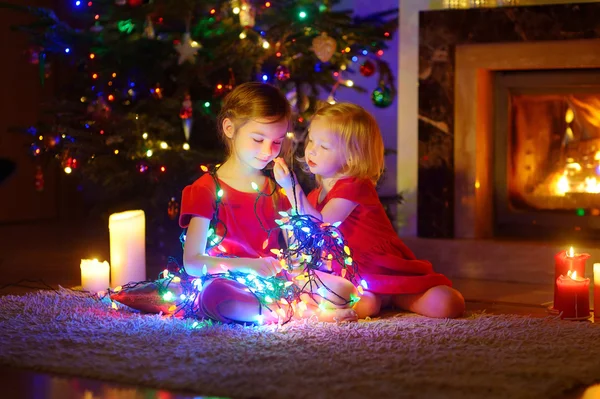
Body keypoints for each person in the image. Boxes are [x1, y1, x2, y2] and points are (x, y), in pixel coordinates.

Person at [178, 83, 358, 324]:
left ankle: (277, 310)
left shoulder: (275, 189)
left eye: (277, 141)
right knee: (214, 296)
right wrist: (249, 266)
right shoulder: (206, 189)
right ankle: (303, 313)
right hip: (227, 281)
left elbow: (295, 256)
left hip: (275, 280)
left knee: (346, 291)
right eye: (258, 139)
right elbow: (192, 263)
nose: (268, 151)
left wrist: (300, 273)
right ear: (230, 128)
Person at [273, 102, 465, 319]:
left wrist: (291, 187)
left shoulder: (355, 186)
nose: (312, 150)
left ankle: (394, 297)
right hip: (355, 278)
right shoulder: (312, 199)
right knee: (365, 305)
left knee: (447, 304)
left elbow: (323, 225)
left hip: (383, 268)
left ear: (352, 157)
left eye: (324, 146)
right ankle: (356, 306)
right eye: (311, 140)